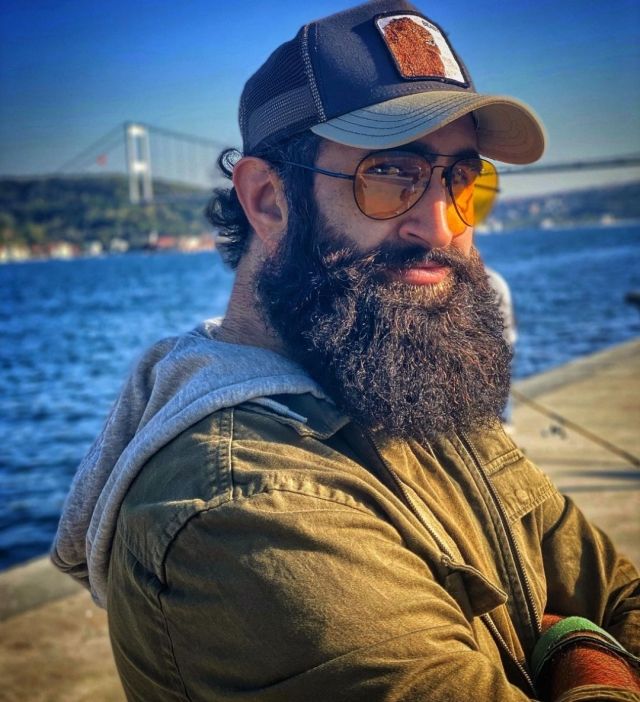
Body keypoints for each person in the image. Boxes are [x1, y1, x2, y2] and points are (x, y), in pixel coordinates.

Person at [52, 2, 639, 700]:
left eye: (460, 178)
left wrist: (566, 646)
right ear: (268, 200)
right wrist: (581, 644)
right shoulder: (244, 513)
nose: (441, 226)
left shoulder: (403, 379)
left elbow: (621, 594)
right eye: (390, 172)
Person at [485, 266, 517, 429]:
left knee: (500, 382)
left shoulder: (493, 282)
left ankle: (504, 420)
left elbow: (503, 320)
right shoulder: (494, 279)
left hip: (501, 343)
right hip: (500, 340)